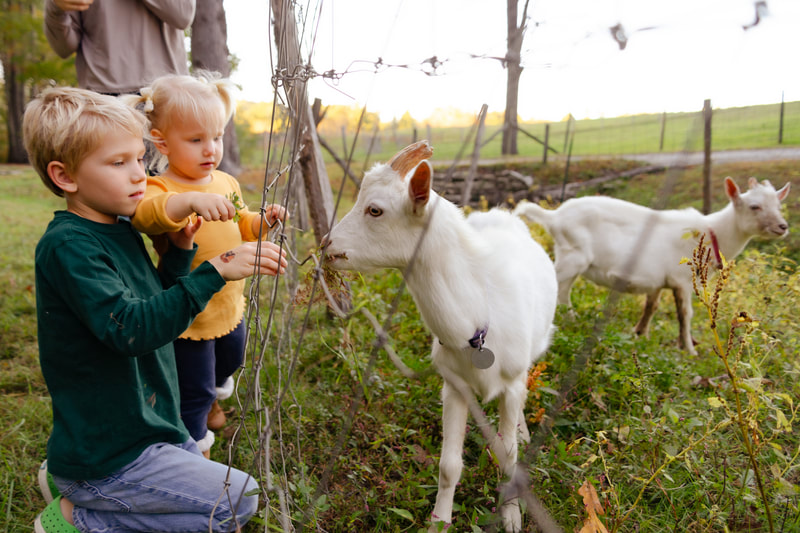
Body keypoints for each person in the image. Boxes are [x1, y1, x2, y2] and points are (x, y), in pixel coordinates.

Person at [24, 86, 286, 532]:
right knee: (238, 501)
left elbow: (150, 309)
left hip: (149, 427)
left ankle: (74, 484)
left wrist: (179, 256)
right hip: (111, 450)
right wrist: (216, 269)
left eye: (140, 159)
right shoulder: (69, 246)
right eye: (118, 162)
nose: (139, 175)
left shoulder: (118, 227)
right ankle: (79, 514)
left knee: (226, 500)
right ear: (65, 177)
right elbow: (131, 330)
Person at [125, 71, 288, 458]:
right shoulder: (161, 188)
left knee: (232, 358)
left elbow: (243, 224)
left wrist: (263, 221)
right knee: (193, 388)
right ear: (162, 142)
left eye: (215, 137)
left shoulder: (225, 182)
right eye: (196, 140)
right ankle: (194, 450)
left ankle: (215, 395)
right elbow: (147, 216)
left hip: (229, 303)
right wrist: (189, 203)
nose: (210, 149)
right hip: (189, 314)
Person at [43, 0, 195, 96]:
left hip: (167, 92)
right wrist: (55, 7)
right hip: (102, 96)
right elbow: (63, 48)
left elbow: (183, 14)